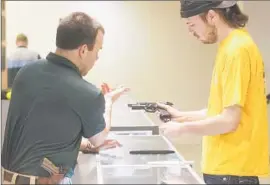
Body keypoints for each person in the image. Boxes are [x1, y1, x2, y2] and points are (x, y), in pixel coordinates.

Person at [1, 12, 129, 184]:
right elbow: (100, 138)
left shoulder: (25, 73)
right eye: (98, 50)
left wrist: (82, 146)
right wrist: (108, 101)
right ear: (83, 50)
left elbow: (39, 130)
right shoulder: (86, 93)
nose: (97, 57)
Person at [159, 1, 268, 184]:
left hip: (231, 171)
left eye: (192, 24)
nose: (191, 32)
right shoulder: (230, 47)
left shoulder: (237, 50)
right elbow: (221, 112)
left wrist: (182, 129)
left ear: (211, 16)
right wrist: (182, 116)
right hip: (226, 170)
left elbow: (229, 121)